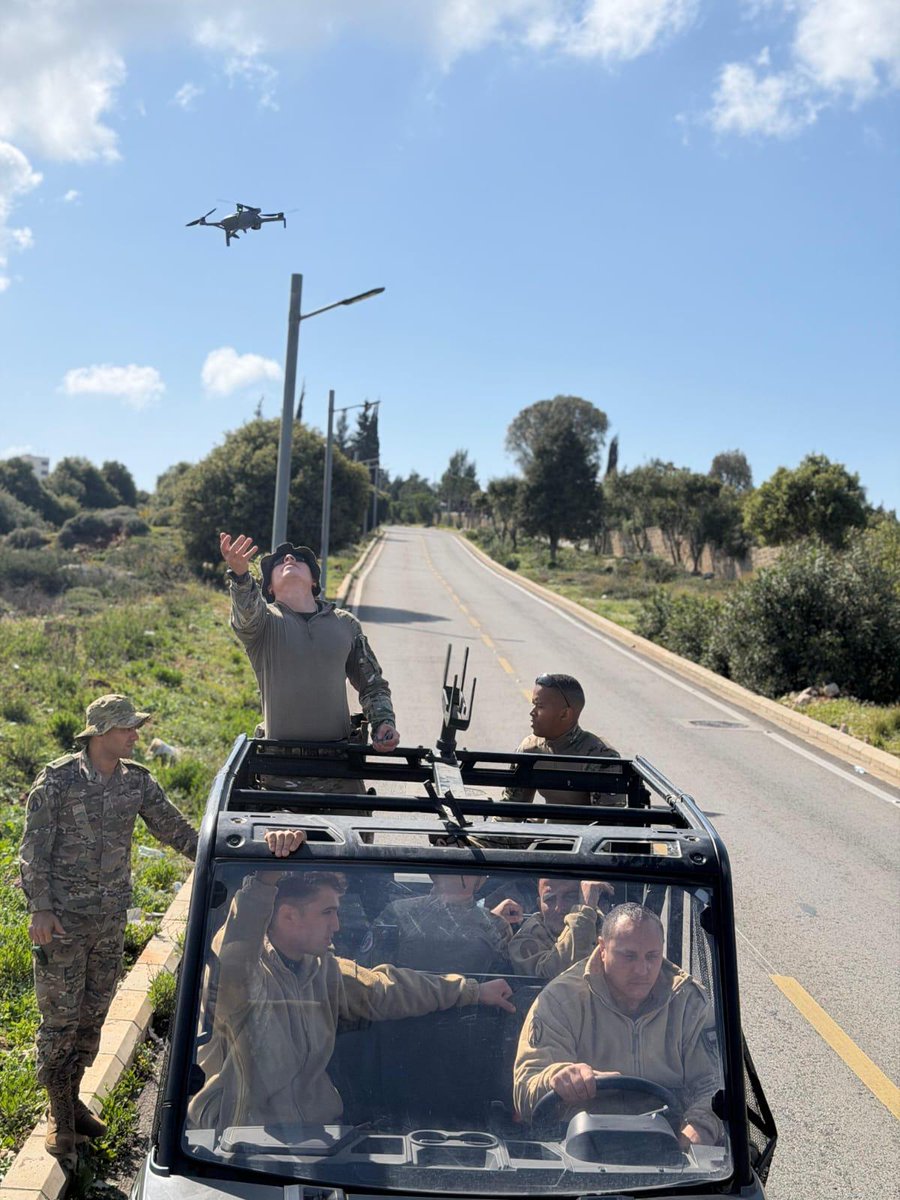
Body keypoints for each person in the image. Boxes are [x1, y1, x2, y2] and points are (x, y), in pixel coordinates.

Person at [188, 846, 517, 1132]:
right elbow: (236, 951)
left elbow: (385, 989)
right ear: (289, 917)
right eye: (328, 912)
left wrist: (471, 991)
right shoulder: (240, 975)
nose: (337, 925)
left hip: (319, 1138)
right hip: (240, 1143)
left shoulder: (322, 970)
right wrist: (265, 881)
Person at [19, 695, 199, 1163]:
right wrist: (40, 909)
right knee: (59, 1022)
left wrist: (224, 852)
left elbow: (175, 831)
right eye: (127, 729)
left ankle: (72, 1099)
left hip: (108, 924)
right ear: (100, 733)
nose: (135, 736)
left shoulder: (136, 783)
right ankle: (60, 1117)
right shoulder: (56, 782)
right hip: (60, 926)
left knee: (92, 1017)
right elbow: (32, 852)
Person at [513, 903, 722, 1146]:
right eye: (629, 956)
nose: (642, 970)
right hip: (577, 1150)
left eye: (652, 956)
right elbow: (526, 1087)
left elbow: (715, 1085)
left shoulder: (689, 1003)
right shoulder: (561, 999)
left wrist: (699, 1130)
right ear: (602, 948)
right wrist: (557, 1077)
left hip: (672, 1146)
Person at [219, 533, 398, 806]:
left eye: (299, 559)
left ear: (314, 581)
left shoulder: (345, 624)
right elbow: (246, 615)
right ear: (269, 589)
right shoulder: (263, 624)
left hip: (340, 770)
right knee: (283, 848)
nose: (289, 559)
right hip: (279, 773)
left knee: (351, 848)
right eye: (279, 562)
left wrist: (383, 723)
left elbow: (372, 684)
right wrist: (241, 576)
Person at [495, 674, 623, 817]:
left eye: (540, 706)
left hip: (586, 837)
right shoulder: (530, 748)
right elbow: (511, 810)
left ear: (564, 714)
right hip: (544, 833)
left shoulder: (600, 756)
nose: (532, 713)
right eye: (534, 705)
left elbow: (609, 824)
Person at [359, 874, 515, 975]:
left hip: (467, 1017)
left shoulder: (494, 925)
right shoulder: (399, 913)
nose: (458, 876)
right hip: (400, 1012)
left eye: (464, 871)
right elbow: (370, 977)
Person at [509, 878, 615, 979]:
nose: (559, 908)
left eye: (570, 897)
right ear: (539, 905)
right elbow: (559, 978)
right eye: (549, 899)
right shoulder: (524, 940)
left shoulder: (610, 932)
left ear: (583, 897)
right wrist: (584, 913)